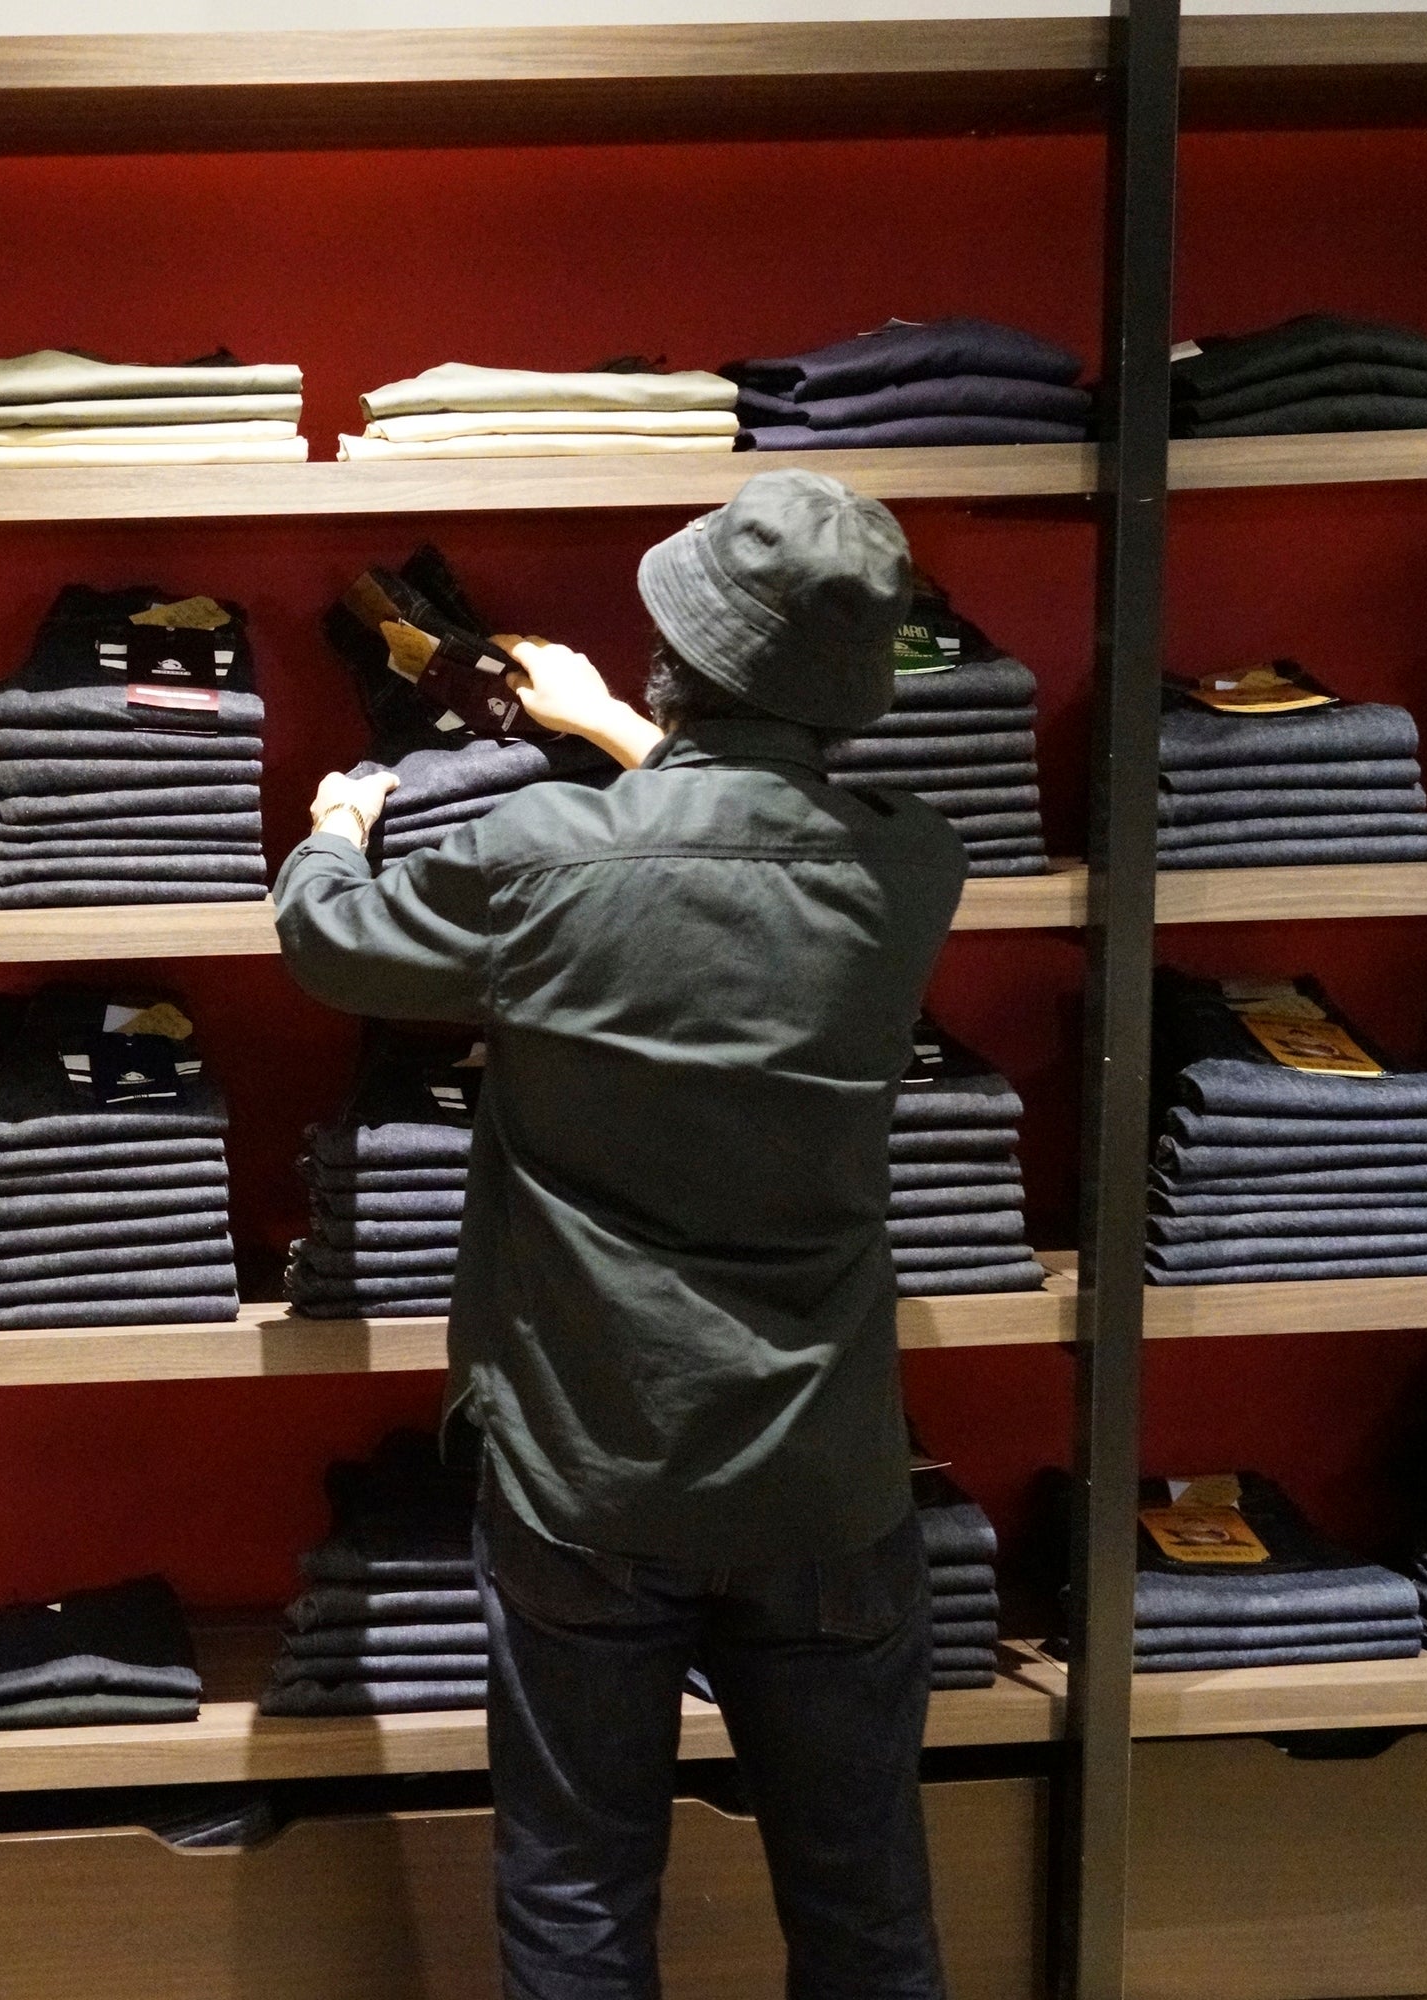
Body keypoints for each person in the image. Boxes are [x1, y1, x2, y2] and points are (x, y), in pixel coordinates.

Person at [271, 469, 970, 2000]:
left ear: (674, 660)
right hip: (824, 1476)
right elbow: (755, 842)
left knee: (579, 1900)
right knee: (867, 1914)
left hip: (593, 1462)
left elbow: (336, 945)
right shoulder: (911, 870)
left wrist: (333, 828)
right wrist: (621, 735)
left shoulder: (543, 860)